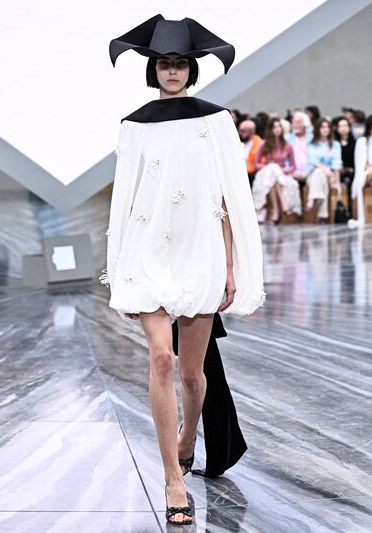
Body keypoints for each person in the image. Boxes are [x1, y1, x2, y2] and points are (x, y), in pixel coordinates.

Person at [106, 15, 265, 525]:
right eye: (164, 64)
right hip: (147, 254)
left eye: (179, 64)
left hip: (200, 254)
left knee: (194, 373)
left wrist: (231, 265)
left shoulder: (215, 120)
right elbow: (123, 200)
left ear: (191, 69)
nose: (171, 72)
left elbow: (226, 197)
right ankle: (173, 479)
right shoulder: (133, 125)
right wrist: (120, 268)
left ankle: (190, 433)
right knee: (162, 360)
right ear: (152, 69)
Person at [252, 118, 301, 222]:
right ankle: (283, 205)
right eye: (274, 127)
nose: (277, 129)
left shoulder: (287, 145)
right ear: (270, 129)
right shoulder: (263, 144)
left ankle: (276, 211)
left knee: (275, 174)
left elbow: (293, 166)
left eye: (279, 126)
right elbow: (256, 164)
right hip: (267, 173)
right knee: (272, 169)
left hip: (282, 174)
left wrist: (282, 169)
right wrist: (269, 167)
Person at [305, 117, 341, 222]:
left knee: (321, 175)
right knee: (320, 175)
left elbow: (337, 163)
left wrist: (337, 182)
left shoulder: (335, 145)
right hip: (313, 174)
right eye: (322, 127)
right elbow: (313, 161)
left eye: (327, 127)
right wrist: (324, 169)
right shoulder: (312, 144)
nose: (325, 130)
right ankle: (322, 215)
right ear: (318, 129)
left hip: (331, 175)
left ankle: (311, 199)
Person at [285, 110, 313, 187]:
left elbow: (315, 158)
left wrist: (305, 173)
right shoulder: (286, 138)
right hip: (290, 173)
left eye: (298, 122)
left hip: (310, 172)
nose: (295, 125)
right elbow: (284, 158)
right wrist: (291, 171)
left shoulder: (312, 138)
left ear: (305, 124)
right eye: (294, 122)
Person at [238, 119, 262, 184]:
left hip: (252, 175)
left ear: (251, 132)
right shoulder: (237, 141)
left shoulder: (259, 143)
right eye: (240, 130)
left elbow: (261, 162)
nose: (240, 133)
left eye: (243, 131)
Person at [335, 117, 356, 188]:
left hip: (352, 170)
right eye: (340, 126)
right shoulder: (334, 143)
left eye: (345, 126)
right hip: (338, 170)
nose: (343, 128)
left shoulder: (355, 143)